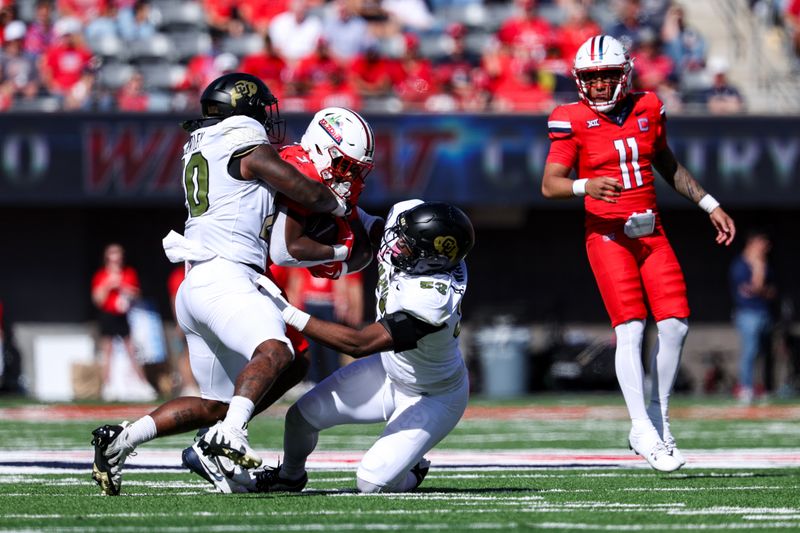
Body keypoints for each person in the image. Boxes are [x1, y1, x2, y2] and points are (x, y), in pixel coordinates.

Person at [90, 72, 351, 496]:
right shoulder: (241, 139)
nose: (266, 118)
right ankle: (230, 435)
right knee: (277, 350)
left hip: (196, 284)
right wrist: (335, 202)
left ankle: (121, 439)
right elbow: (293, 184)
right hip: (228, 275)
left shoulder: (204, 141)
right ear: (242, 109)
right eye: (260, 109)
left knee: (216, 403)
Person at [541, 35, 736, 473]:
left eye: (607, 76)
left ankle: (660, 418)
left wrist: (708, 203)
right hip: (607, 234)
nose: (598, 87)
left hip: (652, 232)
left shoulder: (648, 106)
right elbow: (550, 183)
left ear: (624, 74)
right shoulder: (569, 119)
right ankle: (640, 427)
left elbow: (664, 160)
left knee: (676, 323)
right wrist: (584, 185)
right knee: (630, 327)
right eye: (591, 79)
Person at [187, 200, 475, 494]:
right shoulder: (409, 219)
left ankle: (413, 467)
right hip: (391, 371)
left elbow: (359, 344)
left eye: (408, 246)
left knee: (371, 483)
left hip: (433, 395)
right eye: (401, 236)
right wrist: (332, 201)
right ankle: (289, 476)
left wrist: (286, 311)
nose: (395, 245)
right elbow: (366, 220)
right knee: (300, 418)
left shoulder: (433, 300)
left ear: (432, 260)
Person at [729, 229, 776, 405]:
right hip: (747, 313)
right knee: (750, 351)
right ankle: (745, 387)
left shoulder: (765, 264)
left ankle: (759, 385)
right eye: (763, 243)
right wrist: (758, 270)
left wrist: (762, 288)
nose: (766, 247)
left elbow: (772, 292)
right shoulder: (740, 265)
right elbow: (755, 288)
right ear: (753, 243)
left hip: (764, 312)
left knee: (762, 352)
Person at [90, 243, 146, 387]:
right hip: (108, 315)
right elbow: (97, 300)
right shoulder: (101, 275)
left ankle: (142, 383)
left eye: (118, 253)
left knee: (131, 350)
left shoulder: (129, 273)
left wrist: (122, 286)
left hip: (123, 315)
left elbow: (137, 294)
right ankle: (106, 385)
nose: (116, 257)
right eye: (112, 253)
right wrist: (109, 285)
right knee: (107, 350)